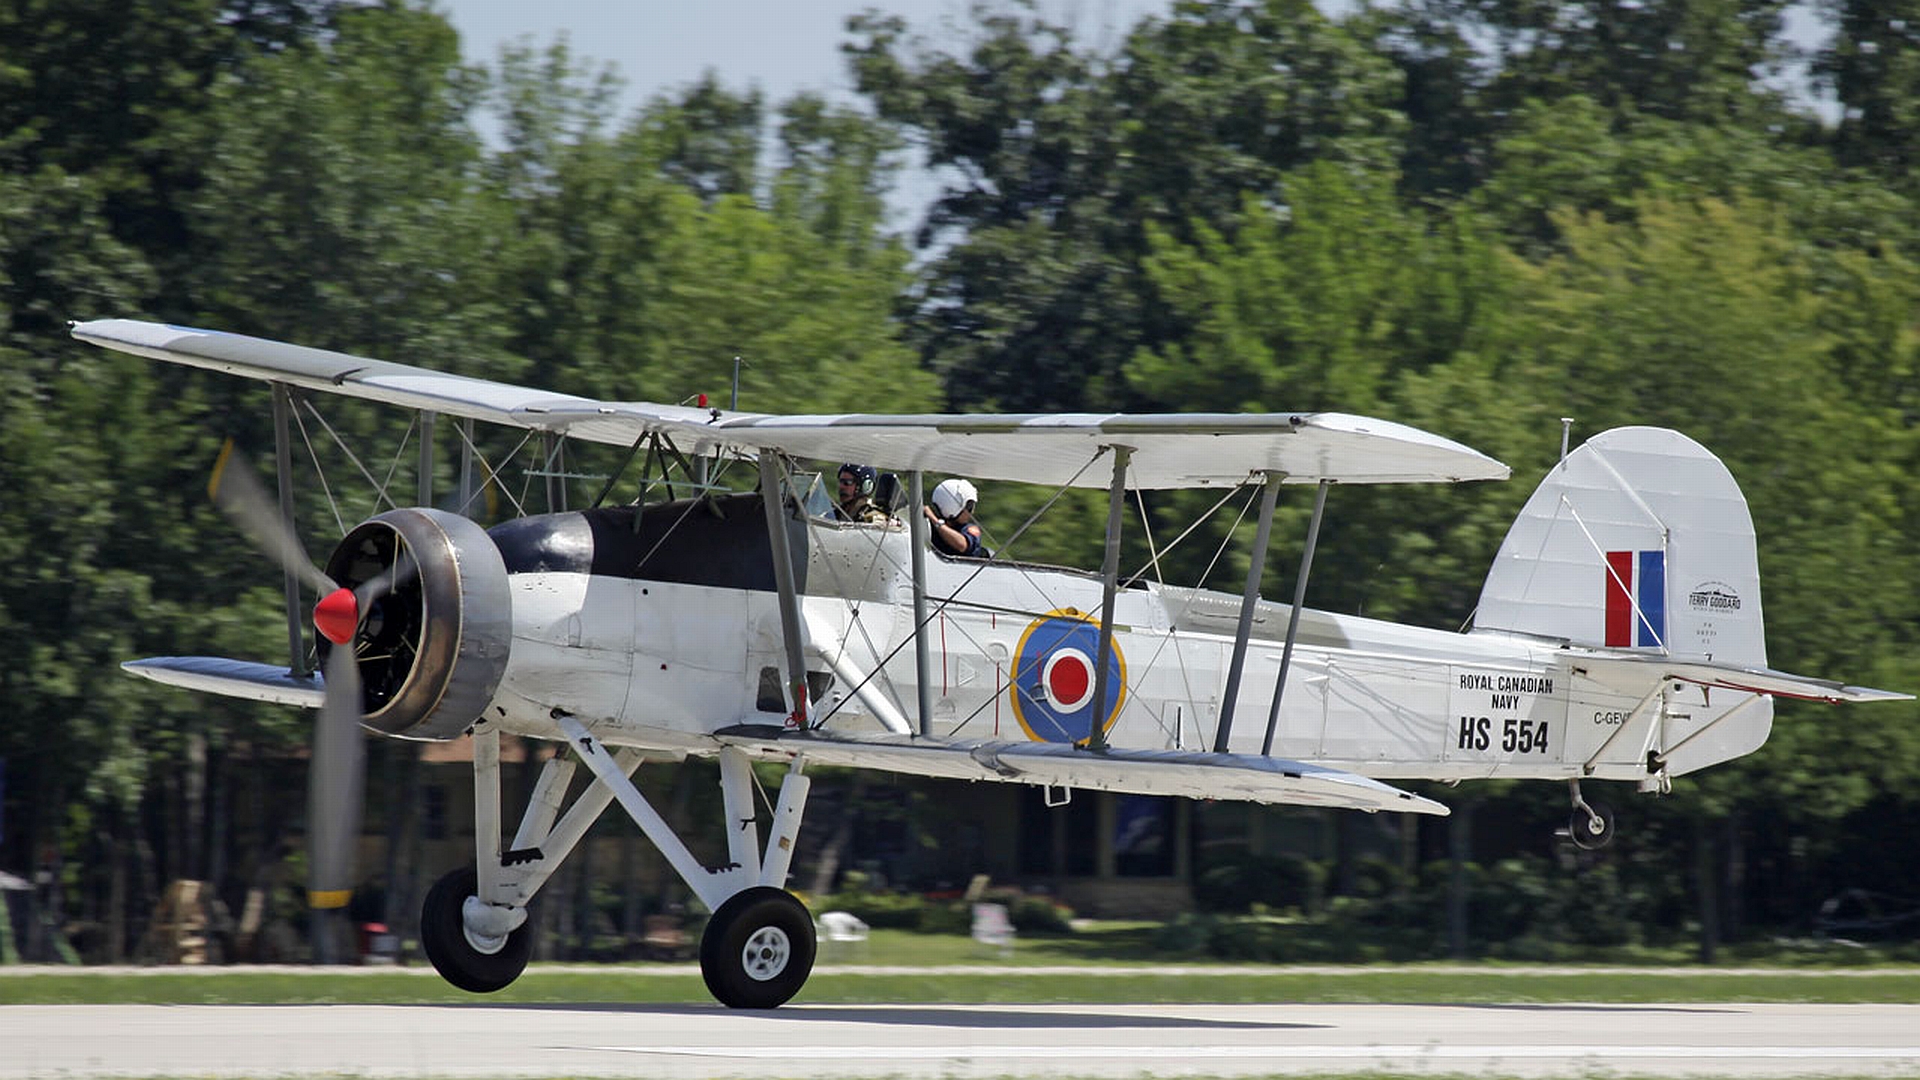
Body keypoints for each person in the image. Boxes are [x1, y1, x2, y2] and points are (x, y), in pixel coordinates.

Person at [926, 478, 989, 557]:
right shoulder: (928, 527)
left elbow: (962, 545)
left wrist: (934, 520)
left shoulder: (970, 529)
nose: (972, 512)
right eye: (969, 508)